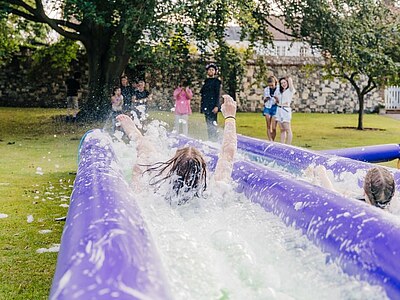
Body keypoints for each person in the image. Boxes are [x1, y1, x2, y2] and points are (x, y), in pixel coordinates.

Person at [116, 94, 237, 205]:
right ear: (202, 170)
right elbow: (228, 154)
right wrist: (230, 117)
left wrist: (137, 170)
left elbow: (143, 148)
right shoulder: (213, 192)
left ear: (172, 166)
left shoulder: (158, 185)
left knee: (142, 164)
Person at [308, 165, 395, 210]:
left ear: (364, 191)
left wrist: (322, 174)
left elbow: (332, 194)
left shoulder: (360, 208)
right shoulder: (390, 209)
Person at [200, 63, 222, 141]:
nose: (211, 71)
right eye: (209, 70)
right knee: (208, 123)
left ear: (215, 71)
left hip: (213, 105)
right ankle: (210, 138)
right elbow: (203, 94)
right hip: (206, 104)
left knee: (213, 122)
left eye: (212, 70)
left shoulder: (217, 82)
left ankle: (215, 139)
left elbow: (218, 95)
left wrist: (217, 106)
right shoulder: (206, 82)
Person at [275, 76, 295, 144]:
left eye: (284, 82)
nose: (283, 84)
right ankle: (282, 144)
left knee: (287, 129)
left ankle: (288, 145)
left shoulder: (290, 90)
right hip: (279, 110)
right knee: (282, 129)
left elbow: (290, 81)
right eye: (282, 83)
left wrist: (288, 78)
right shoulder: (280, 91)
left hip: (285, 110)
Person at [262, 76, 279, 141]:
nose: (271, 87)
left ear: (275, 83)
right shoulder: (266, 90)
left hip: (275, 107)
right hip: (267, 107)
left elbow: (280, 101)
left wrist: (276, 99)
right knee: (268, 125)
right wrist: (266, 99)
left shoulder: (278, 89)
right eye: (269, 86)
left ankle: (273, 140)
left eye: (272, 85)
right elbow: (264, 100)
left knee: (274, 127)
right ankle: (270, 140)